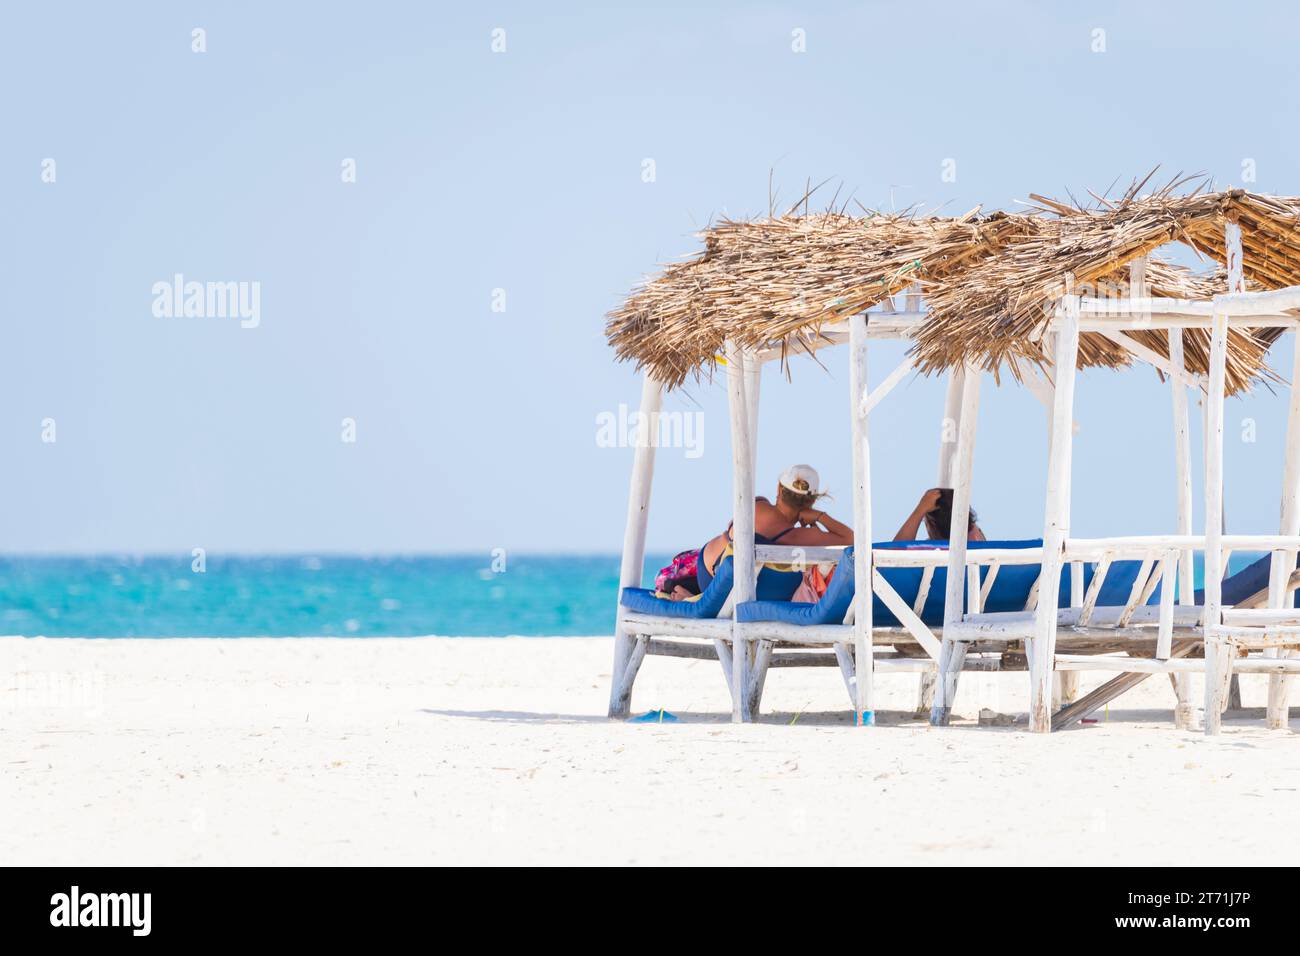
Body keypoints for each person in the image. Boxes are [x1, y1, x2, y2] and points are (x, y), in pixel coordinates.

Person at [672, 465, 853, 600]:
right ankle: (695, 600)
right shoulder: (798, 537)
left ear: (779, 489)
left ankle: (696, 597)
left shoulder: (757, 504)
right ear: (812, 500)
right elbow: (851, 539)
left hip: (708, 570)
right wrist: (821, 517)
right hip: (735, 587)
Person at [894, 487, 985, 542]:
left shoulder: (972, 536)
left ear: (931, 525)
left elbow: (895, 555)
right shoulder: (972, 536)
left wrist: (920, 510)